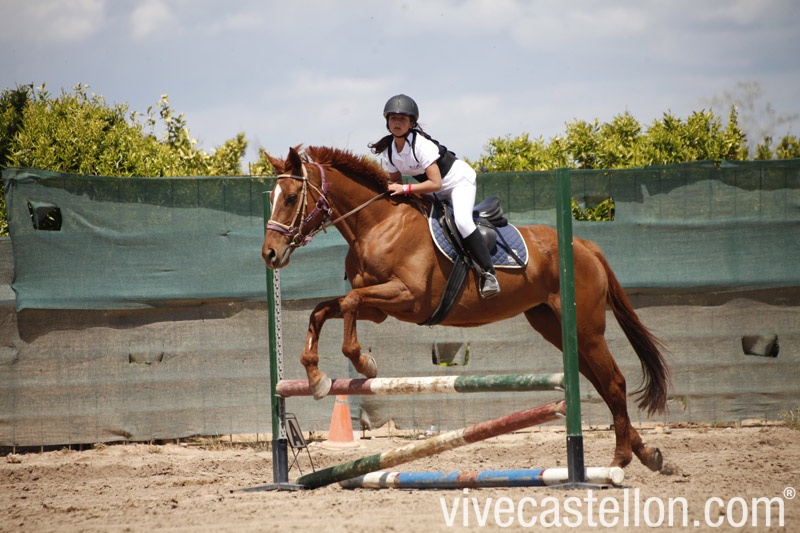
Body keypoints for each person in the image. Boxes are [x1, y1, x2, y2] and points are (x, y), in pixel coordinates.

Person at [368, 94, 500, 299]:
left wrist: (405, 189)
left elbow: (435, 183)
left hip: (457, 182)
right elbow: (396, 185)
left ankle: (488, 274)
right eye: (393, 118)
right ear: (387, 122)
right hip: (432, 188)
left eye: (402, 119)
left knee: (463, 221)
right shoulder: (389, 151)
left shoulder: (421, 145)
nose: (397, 123)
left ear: (412, 123)